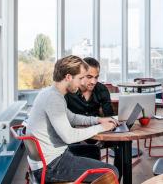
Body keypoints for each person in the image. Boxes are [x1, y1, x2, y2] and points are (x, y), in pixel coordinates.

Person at [26, 55, 119, 183]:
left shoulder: (50, 93)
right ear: (68, 77)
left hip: (49, 159)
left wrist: (98, 120)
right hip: (50, 166)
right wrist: (101, 128)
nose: (82, 83)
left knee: (92, 151)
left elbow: (73, 118)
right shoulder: (53, 99)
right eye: (80, 78)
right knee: (112, 171)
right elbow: (69, 137)